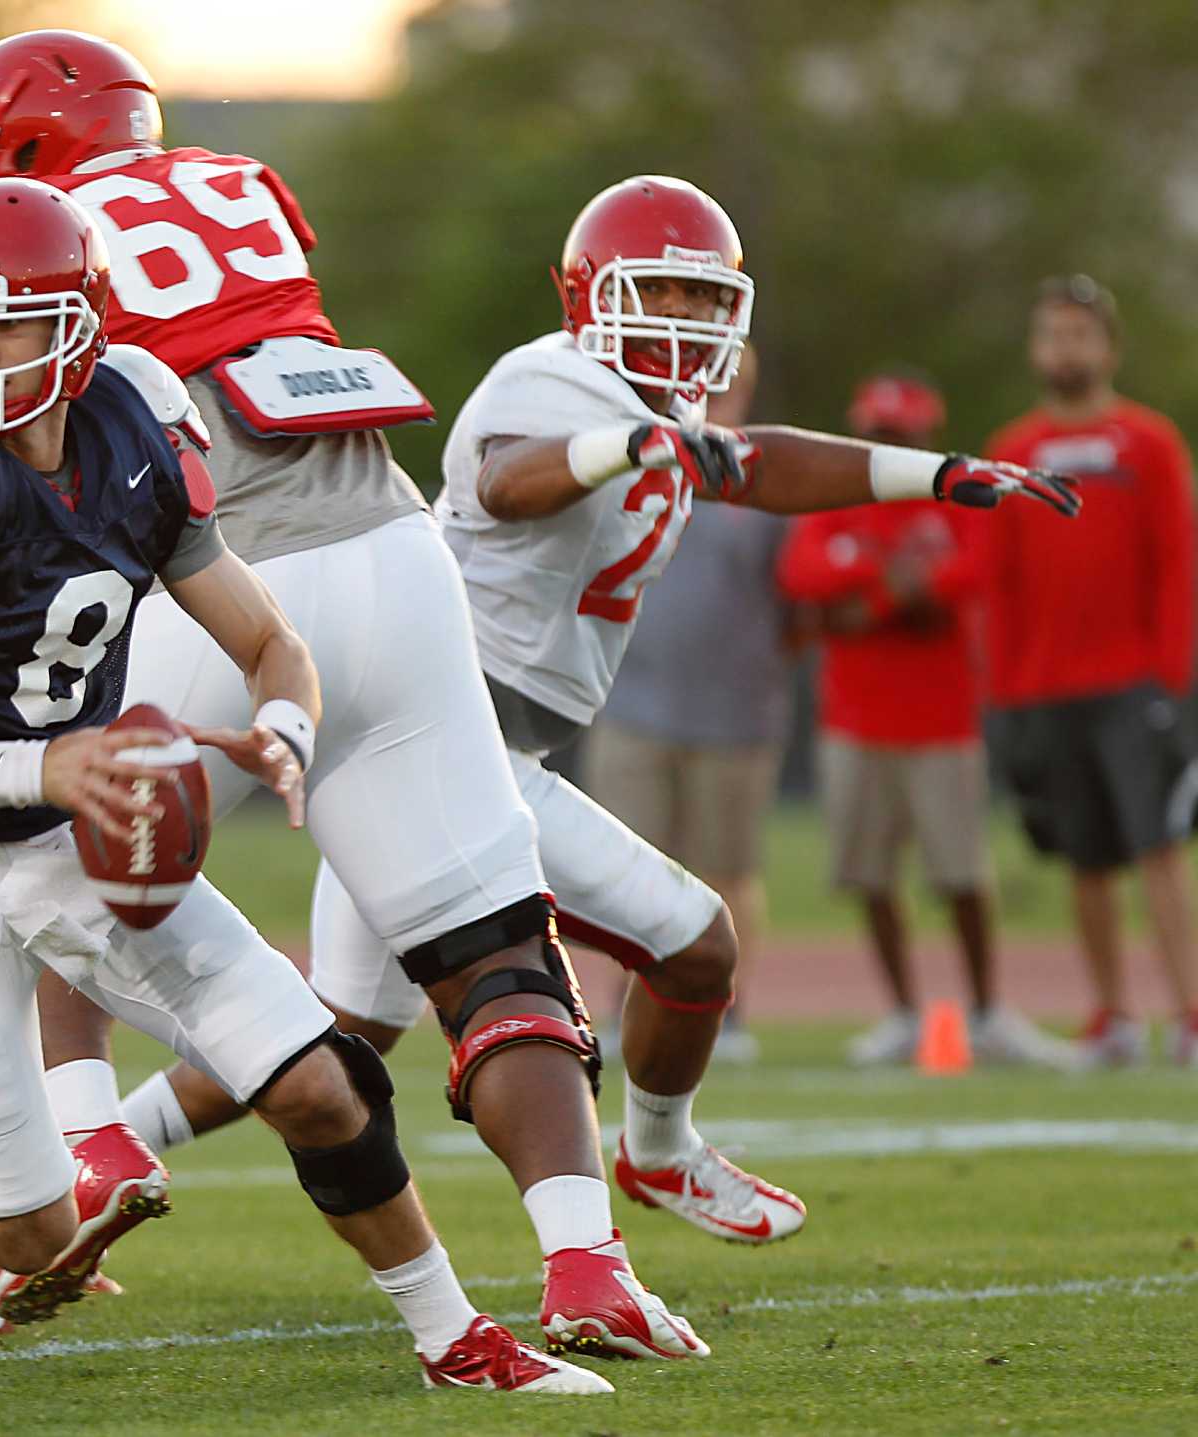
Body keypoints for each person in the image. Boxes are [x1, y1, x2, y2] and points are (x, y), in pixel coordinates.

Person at [0, 30, 715, 1363]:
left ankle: (96, 1129)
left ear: (9, 154)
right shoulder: (244, 179)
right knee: (495, 951)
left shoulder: (38, 239)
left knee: (73, 832)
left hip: (223, 564)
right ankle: (589, 1265)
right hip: (398, 558)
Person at [0, 176, 609, 1395]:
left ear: (82, 324)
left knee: (322, 1086)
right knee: (27, 1233)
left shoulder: (137, 434)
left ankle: (453, 1340)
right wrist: (43, 762)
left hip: (72, 827)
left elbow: (272, 643)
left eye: (9, 321)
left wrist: (282, 726)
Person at [296, 174, 1075, 1264]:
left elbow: (766, 465)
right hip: (450, 743)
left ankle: (87, 1173)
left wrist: (937, 474)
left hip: (460, 743)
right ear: (589, 294)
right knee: (693, 946)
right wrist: (631, 449)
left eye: (703, 299)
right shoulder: (553, 378)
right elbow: (510, 479)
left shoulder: (656, 412)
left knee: (322, 1062)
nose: (683, 319)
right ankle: (635, 1183)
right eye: (658, 290)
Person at [779, 373, 1075, 1068]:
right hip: (855, 720)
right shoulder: (839, 495)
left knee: (961, 874)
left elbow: (970, 574)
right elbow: (804, 575)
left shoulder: (955, 496)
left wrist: (869, 597)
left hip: (941, 722)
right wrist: (898, 586)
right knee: (871, 875)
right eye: (876, 432)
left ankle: (988, 1008)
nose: (886, 443)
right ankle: (904, 1014)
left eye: (898, 433)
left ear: (924, 436)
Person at [984, 275, 1198, 1068]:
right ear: (1037, 348)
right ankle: (1111, 1014)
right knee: (1087, 860)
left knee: (1161, 848)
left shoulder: (1148, 442)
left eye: (1080, 334)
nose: (1066, 349)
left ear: (1107, 347)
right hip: (1044, 689)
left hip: (1135, 686)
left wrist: (1170, 680)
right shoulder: (1014, 452)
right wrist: (1003, 694)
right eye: (1052, 334)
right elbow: (994, 580)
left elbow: (1176, 565)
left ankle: (1189, 1013)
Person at [584, 346, 785, 1064]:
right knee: (630, 873)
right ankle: (628, 1007)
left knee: (726, 868)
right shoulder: (637, 455)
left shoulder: (764, 478)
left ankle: (725, 1013)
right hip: (632, 699)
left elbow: (793, 599)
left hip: (734, 712)